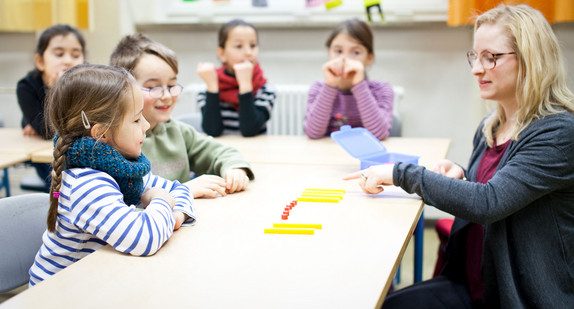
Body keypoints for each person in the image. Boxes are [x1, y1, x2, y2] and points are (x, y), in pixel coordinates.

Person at [344, 4, 574, 308]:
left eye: (490, 57)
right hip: (471, 283)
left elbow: (489, 202)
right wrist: (463, 174)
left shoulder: (559, 133)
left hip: (517, 297)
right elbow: (504, 185)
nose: (477, 69)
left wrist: (400, 173)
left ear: (531, 59)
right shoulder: (492, 126)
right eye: (475, 57)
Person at [29, 64, 196, 286]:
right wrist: (161, 202)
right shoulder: (85, 184)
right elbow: (143, 238)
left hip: (99, 282)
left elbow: (178, 188)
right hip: (57, 297)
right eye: (136, 120)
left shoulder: (119, 168)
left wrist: (175, 217)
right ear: (101, 133)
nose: (146, 125)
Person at [110, 33, 254, 198]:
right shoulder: (117, 144)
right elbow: (126, 207)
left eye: (172, 85)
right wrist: (184, 191)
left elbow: (221, 153)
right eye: (153, 87)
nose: (166, 96)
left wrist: (234, 169)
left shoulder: (177, 131)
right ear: (123, 90)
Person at [16, 24, 86, 190]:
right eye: (59, 54)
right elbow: (47, 130)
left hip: (83, 154)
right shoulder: (26, 87)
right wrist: (58, 90)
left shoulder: (90, 83)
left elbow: (92, 124)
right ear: (40, 61)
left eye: (76, 55)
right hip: (49, 161)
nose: (68, 61)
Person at [304, 18, 394, 140]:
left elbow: (380, 135)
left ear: (369, 58)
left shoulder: (381, 90)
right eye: (338, 51)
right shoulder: (318, 88)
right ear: (328, 53)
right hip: (328, 155)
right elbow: (312, 133)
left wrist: (359, 85)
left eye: (356, 52)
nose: (345, 59)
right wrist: (330, 86)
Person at [196, 19, 276, 137]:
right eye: (239, 46)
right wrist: (212, 87)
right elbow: (212, 131)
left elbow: (250, 130)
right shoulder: (206, 92)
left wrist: (245, 85)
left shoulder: (265, 90)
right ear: (222, 53)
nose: (248, 52)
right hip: (223, 152)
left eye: (253, 45)